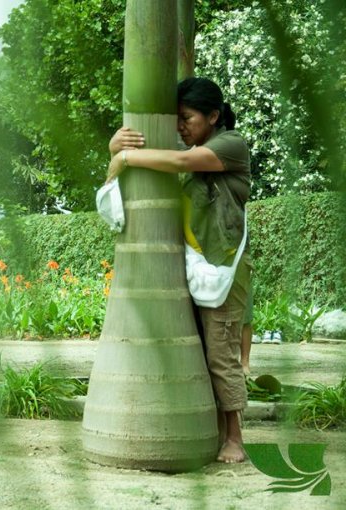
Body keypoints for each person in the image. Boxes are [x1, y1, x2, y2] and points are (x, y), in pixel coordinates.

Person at [106, 77, 251, 464]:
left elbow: (180, 162)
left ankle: (235, 438)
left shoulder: (229, 145)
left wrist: (125, 157)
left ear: (213, 116)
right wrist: (113, 148)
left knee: (221, 354)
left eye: (186, 118)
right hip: (192, 268)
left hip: (223, 270)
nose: (179, 127)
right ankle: (215, 433)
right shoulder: (196, 145)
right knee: (201, 351)